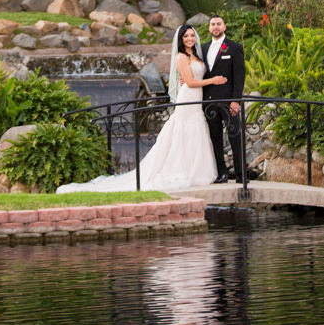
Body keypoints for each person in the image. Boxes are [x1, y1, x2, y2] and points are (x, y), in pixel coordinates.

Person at [56, 24, 226, 193]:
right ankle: (182, 171)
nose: (190, 38)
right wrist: (213, 81)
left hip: (197, 99)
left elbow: (194, 76)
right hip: (188, 96)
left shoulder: (196, 55)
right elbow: (190, 82)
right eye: (186, 36)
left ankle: (197, 169)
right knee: (184, 131)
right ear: (181, 40)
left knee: (195, 132)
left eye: (191, 35)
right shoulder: (181, 57)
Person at [203, 15, 246, 183]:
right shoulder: (203, 48)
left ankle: (241, 175)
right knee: (215, 139)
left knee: (235, 136)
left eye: (218, 24)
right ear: (209, 28)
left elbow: (239, 76)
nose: (216, 27)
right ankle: (222, 173)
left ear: (224, 27)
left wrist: (236, 100)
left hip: (229, 101)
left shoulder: (235, 48)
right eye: (213, 24)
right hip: (208, 102)